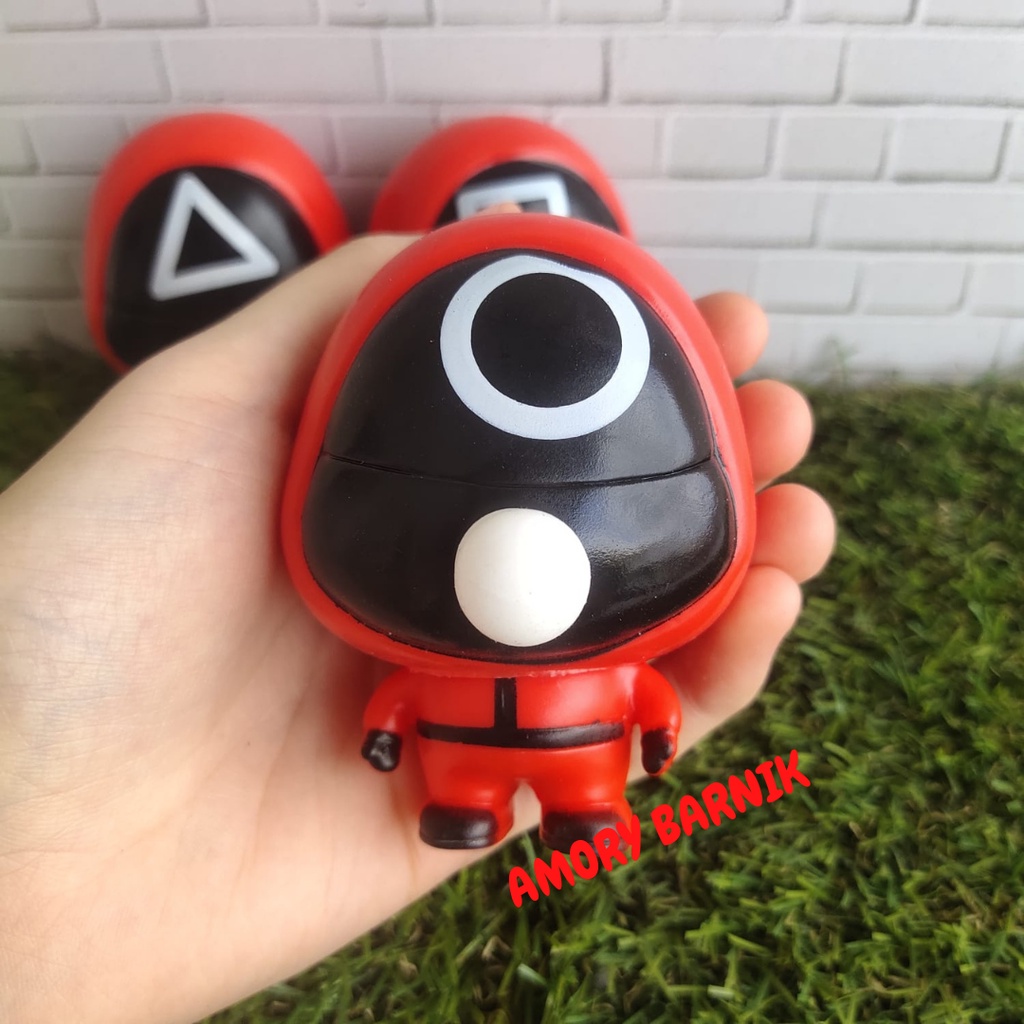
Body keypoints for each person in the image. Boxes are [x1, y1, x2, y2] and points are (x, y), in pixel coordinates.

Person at [0, 232, 835, 1024]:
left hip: (538, 728)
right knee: (473, 789)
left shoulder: (599, 641)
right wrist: (384, 732)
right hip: (485, 733)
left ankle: (579, 809)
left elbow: (644, 690)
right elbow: (419, 695)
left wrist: (656, 728)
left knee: (574, 791)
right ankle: (473, 806)